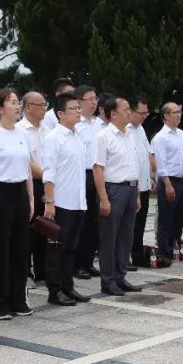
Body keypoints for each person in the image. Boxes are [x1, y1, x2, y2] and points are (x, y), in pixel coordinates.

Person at [0, 89, 35, 320]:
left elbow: (28, 169)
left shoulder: (22, 133)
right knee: (1, 249)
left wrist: (31, 198)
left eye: (17, 102)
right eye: (12, 102)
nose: (16, 106)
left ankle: (19, 300)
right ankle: (0, 303)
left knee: (21, 249)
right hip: (0, 192)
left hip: (20, 192)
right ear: (0, 109)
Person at [42, 93, 90, 306]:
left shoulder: (77, 136)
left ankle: (68, 286)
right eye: (74, 108)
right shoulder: (53, 138)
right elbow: (49, 172)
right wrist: (49, 202)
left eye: (79, 108)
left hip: (77, 201)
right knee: (56, 249)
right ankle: (55, 291)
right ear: (61, 114)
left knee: (71, 248)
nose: (79, 112)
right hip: (61, 203)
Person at [93, 96, 142, 295]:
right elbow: (98, 169)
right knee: (109, 237)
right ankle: (108, 280)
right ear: (113, 114)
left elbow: (133, 165)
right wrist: (104, 198)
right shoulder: (103, 136)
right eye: (126, 109)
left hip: (131, 188)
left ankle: (120, 276)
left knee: (126, 237)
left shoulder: (130, 134)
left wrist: (137, 194)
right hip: (113, 189)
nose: (129, 112)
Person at [150, 103, 183, 268]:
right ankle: (164, 252)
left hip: (182, 180)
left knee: (179, 218)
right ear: (165, 115)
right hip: (169, 181)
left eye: (180, 111)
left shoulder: (182, 134)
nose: (179, 115)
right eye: (175, 112)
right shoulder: (160, 137)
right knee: (166, 218)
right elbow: (160, 163)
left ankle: (175, 248)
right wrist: (167, 184)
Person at [18, 90, 47, 286]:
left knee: (45, 228)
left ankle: (42, 271)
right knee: (27, 230)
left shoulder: (47, 129)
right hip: (30, 183)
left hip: (48, 183)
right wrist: (47, 175)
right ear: (28, 107)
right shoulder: (20, 130)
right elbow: (27, 162)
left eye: (45, 105)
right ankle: (25, 272)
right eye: (41, 105)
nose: (44, 108)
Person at [73, 85, 102, 279]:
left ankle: (89, 261)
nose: (94, 102)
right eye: (90, 99)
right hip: (81, 175)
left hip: (97, 174)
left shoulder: (99, 124)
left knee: (94, 221)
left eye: (95, 98)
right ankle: (77, 265)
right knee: (81, 222)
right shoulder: (76, 125)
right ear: (79, 102)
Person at [128, 96, 153, 270]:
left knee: (140, 223)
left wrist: (150, 177)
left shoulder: (141, 129)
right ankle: (126, 256)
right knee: (129, 224)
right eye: (141, 113)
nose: (144, 116)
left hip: (144, 185)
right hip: (132, 186)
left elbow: (145, 156)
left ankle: (137, 254)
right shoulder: (126, 130)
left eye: (146, 113)